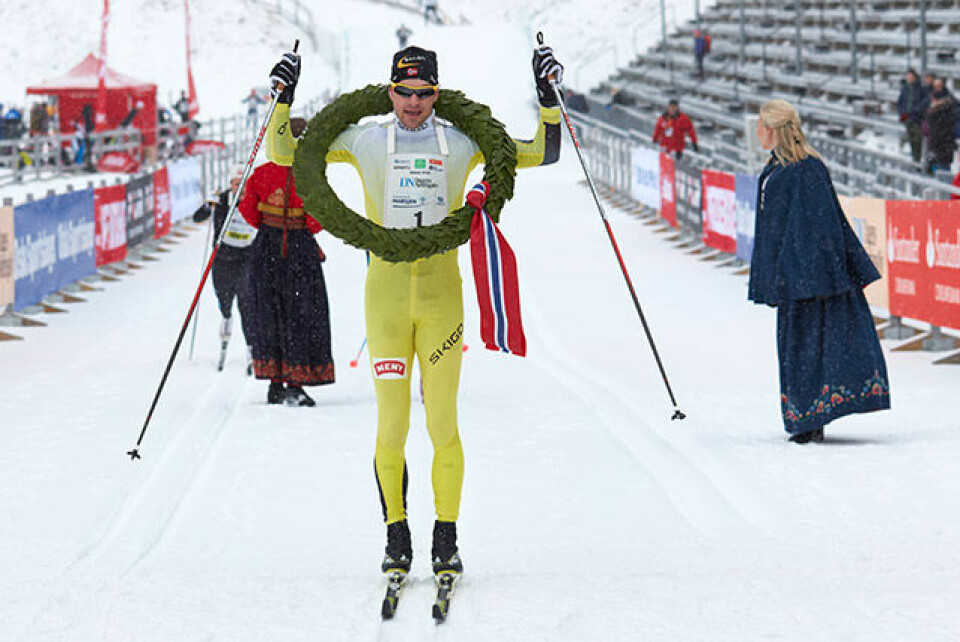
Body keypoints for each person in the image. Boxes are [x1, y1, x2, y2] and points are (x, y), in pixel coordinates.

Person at [265, 43, 563, 584]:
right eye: (404, 92)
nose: (414, 103)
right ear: (390, 91)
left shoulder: (464, 140)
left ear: (437, 94)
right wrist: (281, 99)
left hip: (442, 301)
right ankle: (396, 535)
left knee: (443, 422)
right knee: (392, 425)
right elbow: (286, 154)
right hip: (385, 301)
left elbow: (542, 153)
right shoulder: (365, 138)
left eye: (425, 93)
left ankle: (445, 538)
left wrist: (547, 97)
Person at [748, 99, 890, 444]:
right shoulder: (777, 168)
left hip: (812, 278)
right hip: (792, 276)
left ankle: (812, 416)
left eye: (760, 126)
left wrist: (810, 273)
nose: (756, 132)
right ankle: (805, 415)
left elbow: (823, 225)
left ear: (774, 129)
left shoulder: (808, 169)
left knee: (812, 347)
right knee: (796, 346)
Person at [239, 116, 335, 407]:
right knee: (301, 314)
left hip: (265, 249)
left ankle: (275, 381)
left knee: (270, 314)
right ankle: (295, 381)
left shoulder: (261, 173)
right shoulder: (310, 176)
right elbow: (316, 222)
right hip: (298, 252)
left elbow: (249, 213)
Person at [193, 163, 258, 373]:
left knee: (247, 305)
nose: (241, 189)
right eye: (237, 184)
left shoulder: (256, 200)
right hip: (223, 259)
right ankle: (226, 319)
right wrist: (207, 206)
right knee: (224, 298)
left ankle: (251, 349)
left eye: (244, 184)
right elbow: (197, 218)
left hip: (246, 258)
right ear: (231, 184)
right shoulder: (222, 200)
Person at [897, 69, 928, 165]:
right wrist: (903, 113)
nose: (909, 78)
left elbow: (923, 103)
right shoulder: (904, 88)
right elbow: (900, 102)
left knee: (917, 141)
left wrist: (915, 112)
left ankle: (917, 160)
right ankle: (914, 160)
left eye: (911, 76)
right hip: (907, 119)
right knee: (911, 140)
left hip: (917, 119)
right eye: (908, 76)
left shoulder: (920, 88)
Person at [923, 88, 956, 174]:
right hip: (944, 149)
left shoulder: (937, 113)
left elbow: (935, 133)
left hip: (940, 149)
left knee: (941, 173)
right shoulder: (948, 110)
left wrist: (932, 149)